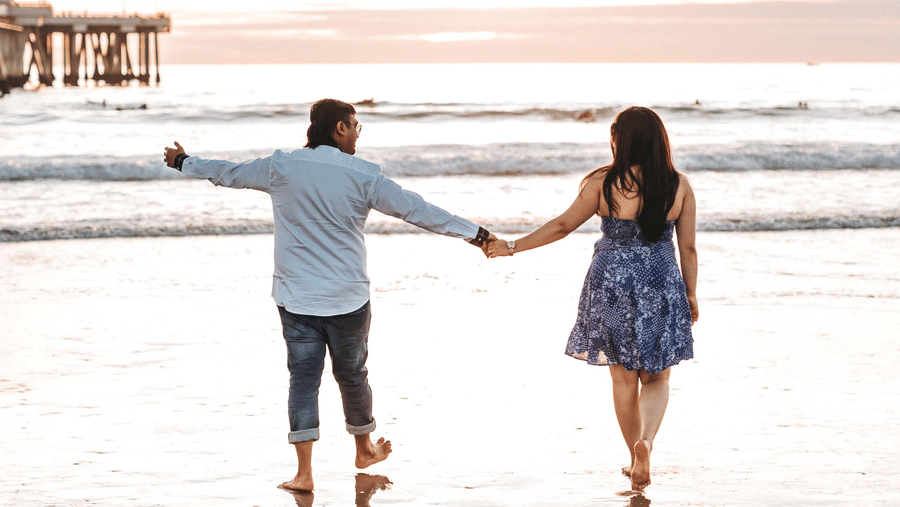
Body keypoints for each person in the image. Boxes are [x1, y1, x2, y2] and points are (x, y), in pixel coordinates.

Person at [162, 98, 495, 492]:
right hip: (347, 297)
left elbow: (227, 173)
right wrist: (477, 235)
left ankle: (304, 475)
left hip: (295, 296)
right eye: (355, 126)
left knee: (302, 380)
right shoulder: (364, 176)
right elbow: (416, 210)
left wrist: (184, 162)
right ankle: (364, 449)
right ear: (339, 128)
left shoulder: (281, 166)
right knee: (352, 375)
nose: (357, 134)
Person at [486, 106, 699, 491]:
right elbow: (689, 249)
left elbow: (564, 225)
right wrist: (690, 293)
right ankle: (646, 442)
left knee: (623, 377)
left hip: (612, 283)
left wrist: (512, 246)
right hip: (661, 283)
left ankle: (633, 456)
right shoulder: (678, 185)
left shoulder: (603, 183)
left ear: (620, 140)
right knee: (657, 376)